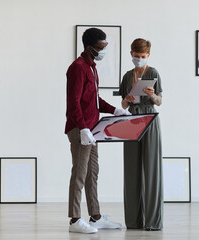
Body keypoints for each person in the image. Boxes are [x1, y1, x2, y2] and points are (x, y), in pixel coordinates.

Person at [65, 28, 130, 234]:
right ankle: (75, 220)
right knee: (79, 173)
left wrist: (115, 110)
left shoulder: (92, 67)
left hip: (93, 130)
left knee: (92, 173)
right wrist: (83, 127)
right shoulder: (77, 68)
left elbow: (94, 100)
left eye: (105, 47)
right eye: (101, 48)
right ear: (90, 47)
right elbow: (73, 102)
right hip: (80, 129)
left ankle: (96, 217)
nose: (103, 51)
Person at [119, 38, 163, 231]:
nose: (139, 59)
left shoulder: (153, 72)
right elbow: (122, 104)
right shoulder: (127, 76)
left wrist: (152, 95)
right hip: (131, 119)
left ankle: (152, 222)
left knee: (152, 168)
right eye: (136, 56)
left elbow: (159, 101)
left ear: (148, 55)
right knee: (131, 169)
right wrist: (127, 100)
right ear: (131, 54)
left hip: (150, 117)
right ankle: (134, 221)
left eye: (143, 57)